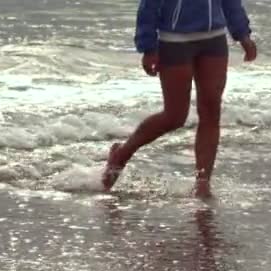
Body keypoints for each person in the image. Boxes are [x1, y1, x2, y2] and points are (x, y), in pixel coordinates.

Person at [102, 0, 257, 198]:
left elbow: (230, 2)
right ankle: (121, 154)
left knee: (211, 111)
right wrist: (148, 48)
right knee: (174, 117)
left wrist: (243, 35)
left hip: (214, 40)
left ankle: (202, 182)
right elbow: (148, 6)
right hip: (174, 41)